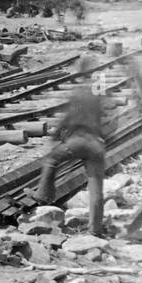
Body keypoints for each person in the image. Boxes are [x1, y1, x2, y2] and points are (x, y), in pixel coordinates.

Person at [36, 53, 109, 235]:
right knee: (96, 189)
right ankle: (95, 231)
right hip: (97, 144)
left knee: (51, 160)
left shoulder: (78, 92)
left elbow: (67, 119)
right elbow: (105, 117)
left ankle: (43, 196)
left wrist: (53, 139)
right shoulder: (98, 92)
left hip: (78, 140)